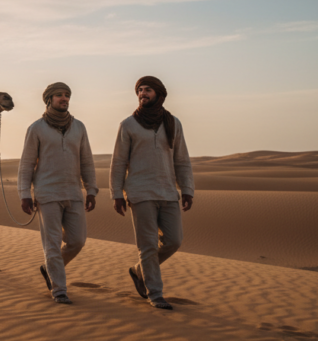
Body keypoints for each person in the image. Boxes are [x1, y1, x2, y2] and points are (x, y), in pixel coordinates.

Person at [110, 76, 194, 310]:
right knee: (147, 245)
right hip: (140, 192)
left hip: (168, 192)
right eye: (140, 90)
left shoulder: (173, 123)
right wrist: (116, 193)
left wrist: (187, 189)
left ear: (159, 93)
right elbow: (118, 162)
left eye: (147, 90)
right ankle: (155, 293)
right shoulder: (128, 124)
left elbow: (182, 159)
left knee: (174, 241)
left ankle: (139, 271)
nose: (142, 94)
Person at [18, 82, 98, 304]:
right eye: (59, 95)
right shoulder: (36, 128)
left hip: (73, 192)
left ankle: (49, 269)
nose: (64, 98)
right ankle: (59, 289)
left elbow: (87, 161)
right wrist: (24, 193)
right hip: (47, 193)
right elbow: (26, 164)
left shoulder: (79, 127)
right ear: (49, 99)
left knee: (77, 241)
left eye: (67, 95)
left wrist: (91, 190)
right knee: (52, 243)